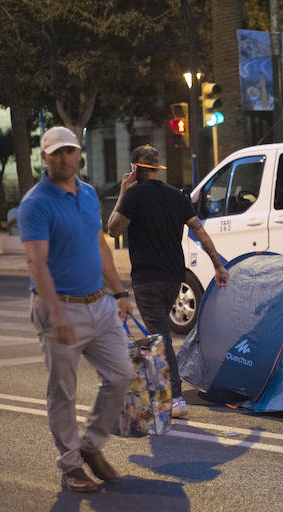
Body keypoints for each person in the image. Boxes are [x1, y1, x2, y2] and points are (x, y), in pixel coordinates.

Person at [20, 126, 134, 493]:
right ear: (44, 157)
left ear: (78, 154)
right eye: (56, 153)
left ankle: (91, 445)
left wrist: (119, 293)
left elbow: (99, 244)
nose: (64, 158)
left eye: (69, 151)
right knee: (62, 392)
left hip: (98, 303)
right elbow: (37, 263)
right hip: (60, 308)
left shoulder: (86, 194)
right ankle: (71, 465)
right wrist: (55, 314)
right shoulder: (36, 203)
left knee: (121, 374)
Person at [107, 145, 229, 419]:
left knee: (159, 338)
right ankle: (163, 395)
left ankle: (174, 398)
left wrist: (124, 191)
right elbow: (200, 232)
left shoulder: (134, 195)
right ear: (157, 169)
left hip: (147, 278)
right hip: (175, 277)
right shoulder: (176, 196)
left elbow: (112, 228)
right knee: (160, 333)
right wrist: (218, 265)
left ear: (136, 169)